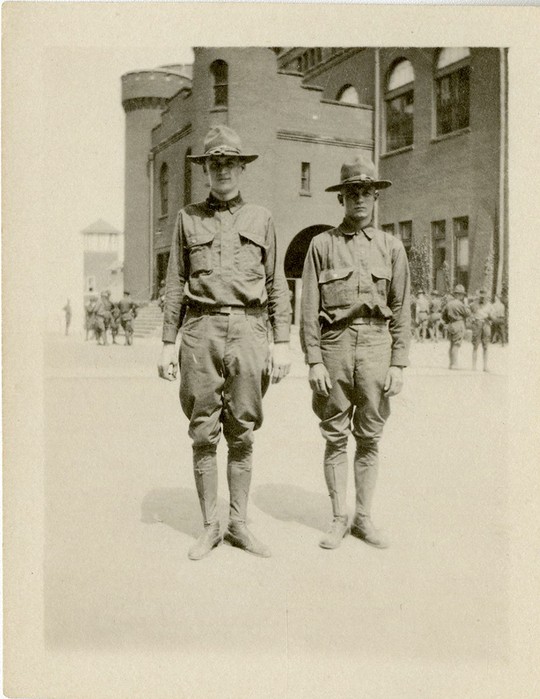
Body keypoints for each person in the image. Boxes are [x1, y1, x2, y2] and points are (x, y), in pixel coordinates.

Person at [157, 125, 291, 560]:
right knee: (202, 432)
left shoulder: (262, 218)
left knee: (243, 432)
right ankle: (210, 527)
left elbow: (276, 285)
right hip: (200, 331)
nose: (223, 171)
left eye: (230, 163)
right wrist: (165, 342)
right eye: (215, 164)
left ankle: (239, 524)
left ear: (241, 168)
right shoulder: (186, 218)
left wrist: (283, 342)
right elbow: (175, 283)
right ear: (206, 171)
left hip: (251, 330)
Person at [300, 154, 411, 550]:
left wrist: (399, 363)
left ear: (375, 197)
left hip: (378, 348)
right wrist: (313, 358)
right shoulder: (322, 245)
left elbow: (401, 308)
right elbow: (308, 307)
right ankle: (337, 518)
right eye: (351, 192)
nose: (359, 199)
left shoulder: (391, 247)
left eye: (366, 191)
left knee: (370, 437)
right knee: (334, 437)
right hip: (334, 347)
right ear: (341, 199)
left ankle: (363, 518)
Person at [441, 284, 471, 369]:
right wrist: (466, 304)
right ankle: (454, 364)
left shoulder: (449, 304)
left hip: (451, 324)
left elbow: (443, 316)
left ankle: (451, 363)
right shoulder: (460, 304)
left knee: (451, 344)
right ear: (459, 294)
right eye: (462, 294)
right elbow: (468, 313)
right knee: (456, 345)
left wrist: (448, 321)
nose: (462, 296)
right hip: (459, 324)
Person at [470, 288, 493, 371]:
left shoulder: (490, 305)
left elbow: (493, 317)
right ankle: (473, 366)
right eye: (481, 295)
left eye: (484, 295)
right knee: (475, 346)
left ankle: (485, 367)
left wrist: (490, 317)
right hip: (477, 324)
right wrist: (472, 319)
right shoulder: (473, 304)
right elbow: (469, 314)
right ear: (479, 295)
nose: (482, 297)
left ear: (486, 296)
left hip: (486, 324)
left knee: (486, 346)